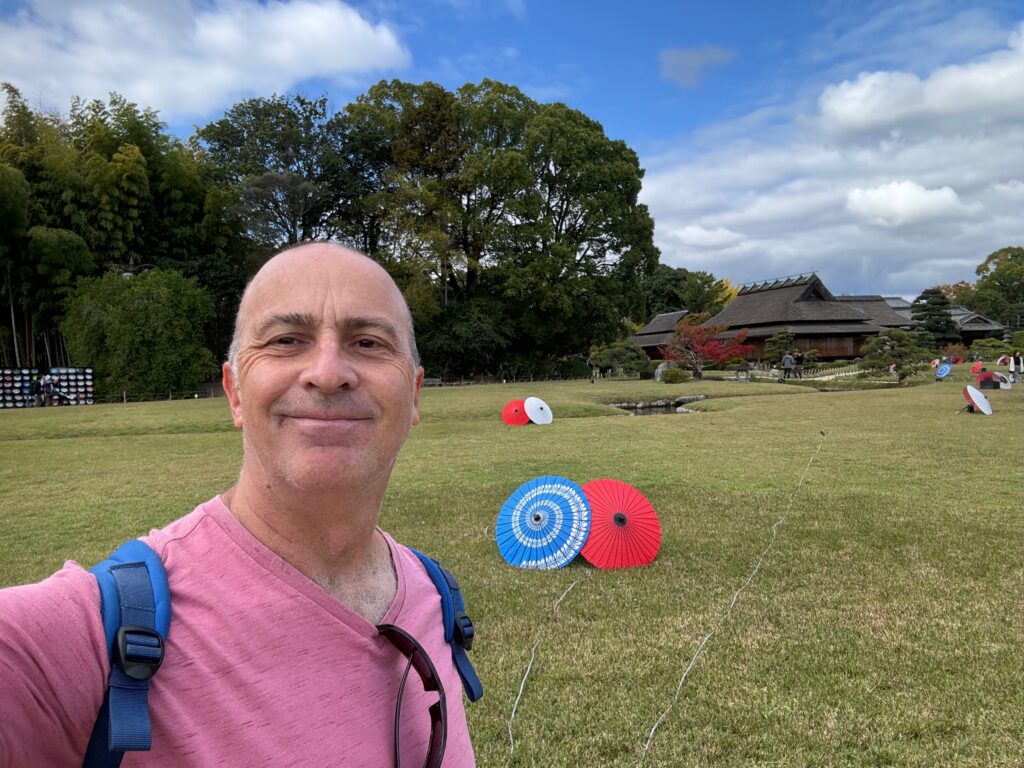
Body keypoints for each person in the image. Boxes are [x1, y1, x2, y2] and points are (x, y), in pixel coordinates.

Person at [0, 243, 475, 766]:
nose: (328, 371)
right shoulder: (94, 630)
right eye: (286, 340)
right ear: (234, 393)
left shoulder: (434, 595)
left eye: (367, 341)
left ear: (413, 396)